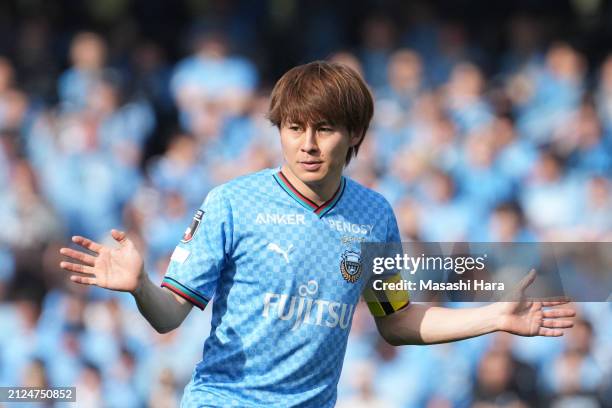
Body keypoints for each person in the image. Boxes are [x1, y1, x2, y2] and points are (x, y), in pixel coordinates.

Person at [59, 61, 575, 407]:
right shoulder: (232, 202)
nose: (307, 144)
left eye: (324, 129)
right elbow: (169, 316)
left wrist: (495, 316)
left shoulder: (375, 215)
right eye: (293, 128)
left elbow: (395, 322)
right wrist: (140, 285)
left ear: (354, 135)